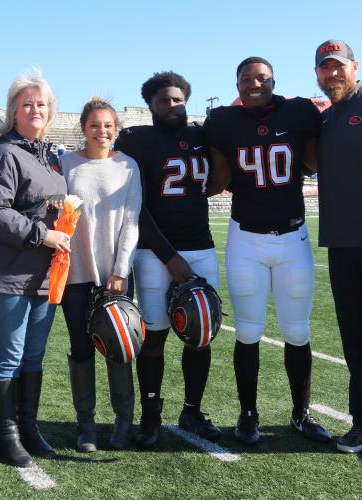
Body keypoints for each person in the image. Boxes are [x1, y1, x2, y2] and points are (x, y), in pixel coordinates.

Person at [204, 57, 331, 445]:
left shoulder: (298, 111)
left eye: (261, 78)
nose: (254, 84)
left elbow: (314, 159)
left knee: (297, 331)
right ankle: (248, 413)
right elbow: (219, 175)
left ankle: (301, 413)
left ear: (274, 80)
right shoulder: (223, 120)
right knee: (248, 331)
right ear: (237, 84)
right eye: (246, 79)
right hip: (247, 239)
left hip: (293, 238)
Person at [115, 71, 221, 446]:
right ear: (150, 105)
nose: (172, 105)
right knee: (155, 336)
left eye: (177, 99)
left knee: (201, 334)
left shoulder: (200, 136)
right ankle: (151, 415)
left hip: (202, 246)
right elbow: (135, 206)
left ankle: (192, 410)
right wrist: (169, 256)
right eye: (164, 100)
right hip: (155, 252)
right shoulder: (136, 139)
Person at [0, 73, 68, 466]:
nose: (35, 110)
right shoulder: (5, 154)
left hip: (45, 276)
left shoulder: (48, 156)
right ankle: (7, 436)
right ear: (13, 110)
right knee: (9, 357)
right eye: (27, 103)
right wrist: (41, 235)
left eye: (41, 104)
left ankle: (28, 427)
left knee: (34, 357)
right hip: (9, 274)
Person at [59, 98, 141, 451]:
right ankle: (86, 426)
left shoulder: (128, 167)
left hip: (116, 277)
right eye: (95, 125)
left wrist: (121, 270)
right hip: (77, 274)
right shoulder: (65, 165)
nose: (102, 131)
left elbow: (132, 222)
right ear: (83, 128)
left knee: (119, 348)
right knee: (81, 349)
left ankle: (123, 424)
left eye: (108, 125)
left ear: (116, 129)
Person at [315, 40, 362, 453]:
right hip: (342, 244)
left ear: (354, 67)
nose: (332, 75)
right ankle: (360, 423)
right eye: (324, 69)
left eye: (338, 67)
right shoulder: (328, 119)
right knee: (354, 341)